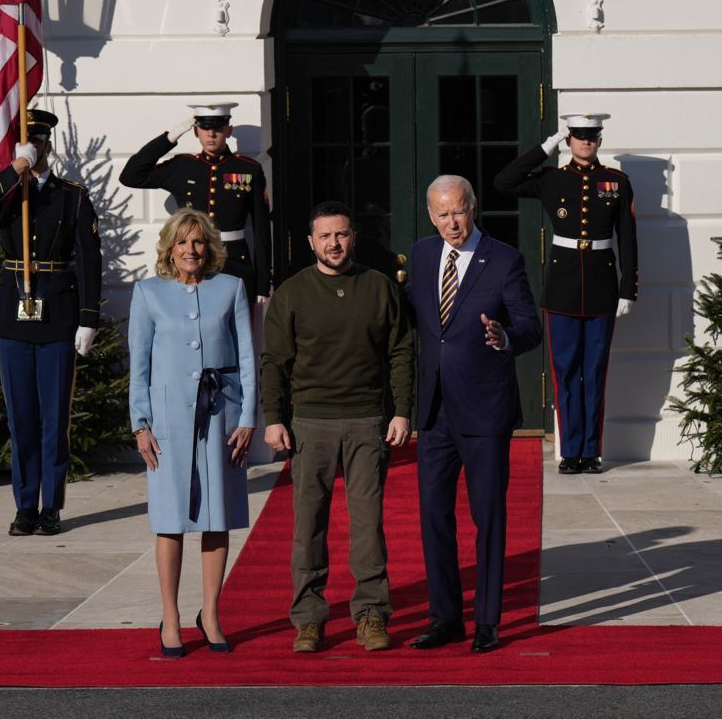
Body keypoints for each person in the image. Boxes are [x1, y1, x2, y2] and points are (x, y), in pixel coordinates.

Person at [261, 201, 413, 654]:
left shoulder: (379, 287)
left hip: (368, 421)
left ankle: (370, 613)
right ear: (311, 242)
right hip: (310, 423)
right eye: (325, 236)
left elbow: (401, 352)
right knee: (309, 524)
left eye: (341, 234)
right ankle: (309, 618)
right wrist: (274, 419)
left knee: (367, 526)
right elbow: (275, 363)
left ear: (353, 237)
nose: (334, 243)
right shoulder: (291, 293)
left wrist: (402, 411)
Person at [405, 175, 541, 654]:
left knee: (488, 516)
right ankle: (445, 617)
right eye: (441, 214)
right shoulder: (422, 255)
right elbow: (409, 324)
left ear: (474, 207)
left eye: (458, 212)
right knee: (433, 515)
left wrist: (505, 337)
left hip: (485, 410)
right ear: (430, 215)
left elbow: (530, 327)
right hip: (435, 409)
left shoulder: (504, 259)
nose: (451, 223)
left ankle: (487, 621)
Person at [129, 208, 256, 658]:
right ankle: (170, 616)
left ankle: (211, 613)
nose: (190, 250)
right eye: (182, 242)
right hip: (166, 421)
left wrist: (248, 418)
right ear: (169, 247)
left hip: (222, 415)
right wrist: (139, 423)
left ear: (210, 247)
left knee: (216, 516)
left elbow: (247, 357)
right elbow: (139, 365)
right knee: (170, 519)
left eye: (198, 242)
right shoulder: (147, 293)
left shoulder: (232, 288)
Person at [0, 108, 101, 537]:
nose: (36, 148)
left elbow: (89, 259)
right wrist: (16, 168)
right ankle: (25, 505)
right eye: (29, 143)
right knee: (21, 416)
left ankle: (51, 506)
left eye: (40, 142)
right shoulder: (8, 191)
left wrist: (88, 319)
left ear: (50, 144)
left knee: (53, 418)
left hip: (58, 313)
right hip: (15, 314)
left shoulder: (72, 195)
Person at [494, 114, 638, 475]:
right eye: (578, 136)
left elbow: (628, 239)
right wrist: (547, 144)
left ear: (600, 141)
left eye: (591, 136)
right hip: (561, 288)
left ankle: (591, 452)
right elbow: (504, 181)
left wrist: (627, 288)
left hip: (603, 287)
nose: (585, 142)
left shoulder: (617, 182)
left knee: (595, 371)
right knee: (565, 371)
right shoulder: (552, 178)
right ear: (569, 141)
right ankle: (570, 450)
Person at [120, 102, 272, 301]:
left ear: (229, 130)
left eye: (218, 128)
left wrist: (262, 284)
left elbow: (261, 229)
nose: (211, 134)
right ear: (195, 131)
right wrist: (170, 137)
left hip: (234, 262)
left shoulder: (248, 169)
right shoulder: (182, 167)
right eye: (205, 128)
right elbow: (131, 176)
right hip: (189, 263)